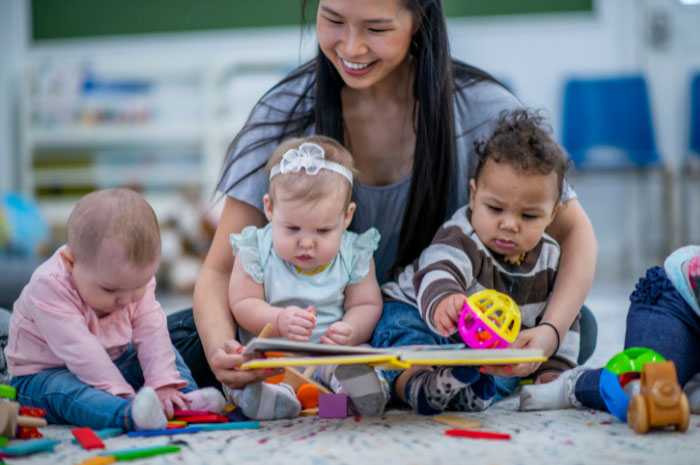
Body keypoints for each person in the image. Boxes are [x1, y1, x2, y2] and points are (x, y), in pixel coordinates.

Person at [167, 0, 598, 393]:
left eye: (376, 28)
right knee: (178, 342)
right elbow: (220, 269)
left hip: (428, 320)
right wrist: (224, 351)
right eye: (333, 20)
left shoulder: (481, 109)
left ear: (419, 20)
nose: (351, 47)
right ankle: (392, 381)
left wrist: (552, 332)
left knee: (577, 326)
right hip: (311, 336)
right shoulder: (285, 114)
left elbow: (576, 232)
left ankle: (399, 377)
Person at [376, 109, 577, 414]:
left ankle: (467, 391)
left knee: (512, 365)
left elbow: (565, 318)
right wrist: (444, 299)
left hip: (480, 348)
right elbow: (438, 266)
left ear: (552, 214)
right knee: (401, 333)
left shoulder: (551, 258)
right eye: (495, 208)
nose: (509, 224)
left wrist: (553, 369)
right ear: (473, 196)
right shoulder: (462, 235)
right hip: (422, 317)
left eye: (528, 215)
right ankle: (417, 385)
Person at [5, 189, 225, 431]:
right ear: (70, 263)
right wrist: (122, 395)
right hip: (42, 377)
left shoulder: (129, 283)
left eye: (138, 287)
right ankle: (128, 414)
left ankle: (184, 399)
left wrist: (162, 382)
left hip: (112, 360)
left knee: (164, 348)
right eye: (111, 290)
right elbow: (83, 352)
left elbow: (151, 331)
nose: (126, 300)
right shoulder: (48, 286)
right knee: (69, 392)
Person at [223, 135, 388, 419]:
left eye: (323, 231)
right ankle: (275, 401)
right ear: (270, 209)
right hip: (275, 357)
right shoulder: (256, 248)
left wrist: (350, 329)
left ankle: (357, 396)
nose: (307, 243)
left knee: (357, 358)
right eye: (293, 228)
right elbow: (242, 302)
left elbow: (367, 304)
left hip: (327, 356)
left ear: (347, 217)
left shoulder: (353, 252)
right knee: (245, 367)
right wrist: (277, 320)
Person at [520, 245, 700, 414]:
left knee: (663, 390)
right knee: (640, 386)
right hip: (674, 301)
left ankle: (688, 382)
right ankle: (572, 386)